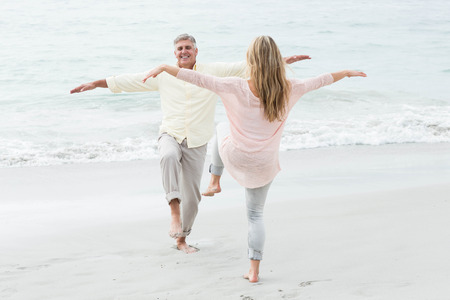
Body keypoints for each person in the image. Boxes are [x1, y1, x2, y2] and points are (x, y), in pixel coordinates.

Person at [142, 35, 367, 281]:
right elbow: (321, 80)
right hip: (264, 164)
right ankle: (254, 271)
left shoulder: (236, 85)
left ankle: (215, 180)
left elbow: (198, 78)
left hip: (234, 155)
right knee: (255, 216)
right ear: (275, 62)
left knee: (219, 127)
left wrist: (165, 67)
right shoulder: (291, 87)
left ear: (251, 61)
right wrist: (345, 72)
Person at [70, 34, 311, 254]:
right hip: (170, 134)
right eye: (179, 49)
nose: (183, 51)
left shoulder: (211, 71)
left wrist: (281, 61)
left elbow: (246, 65)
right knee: (167, 156)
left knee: (194, 198)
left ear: (196, 51)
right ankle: (173, 209)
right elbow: (128, 81)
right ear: (174, 53)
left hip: (197, 141)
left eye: (187, 48)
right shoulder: (163, 75)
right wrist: (95, 83)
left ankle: (181, 239)